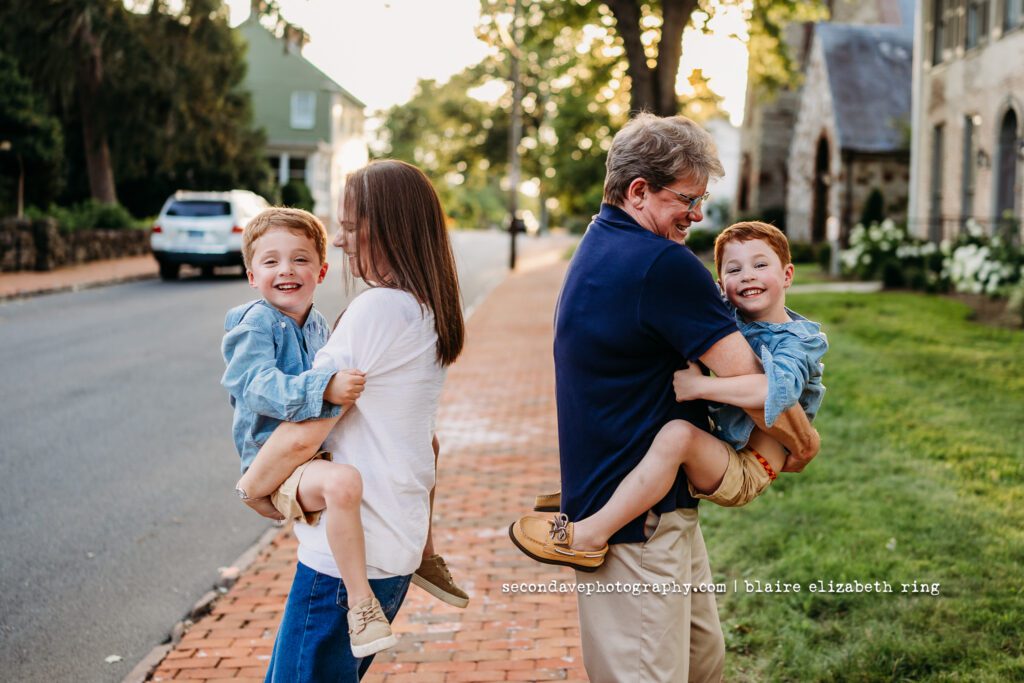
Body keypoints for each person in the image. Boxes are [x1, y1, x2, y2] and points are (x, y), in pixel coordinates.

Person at [514, 113, 820, 682]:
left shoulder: (600, 243)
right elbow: (759, 387)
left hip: (650, 507)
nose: (698, 215)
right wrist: (804, 443)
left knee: (702, 663)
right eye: (688, 198)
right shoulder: (661, 264)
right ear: (639, 191)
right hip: (637, 530)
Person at [232, 160, 466, 681]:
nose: (339, 240)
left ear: (389, 227)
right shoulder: (425, 307)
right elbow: (425, 442)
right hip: (395, 541)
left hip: (346, 560)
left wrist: (252, 489)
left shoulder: (376, 310)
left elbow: (304, 433)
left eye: (352, 225)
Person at [510, 220, 828, 571]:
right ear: (722, 284)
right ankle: (603, 495)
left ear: (787, 275)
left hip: (750, 468)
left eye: (760, 264)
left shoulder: (796, 342)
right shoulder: (733, 316)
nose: (748, 275)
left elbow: (772, 391)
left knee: (677, 436)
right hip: (724, 450)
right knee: (653, 409)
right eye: (735, 269)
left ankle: (591, 536)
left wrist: (700, 387)